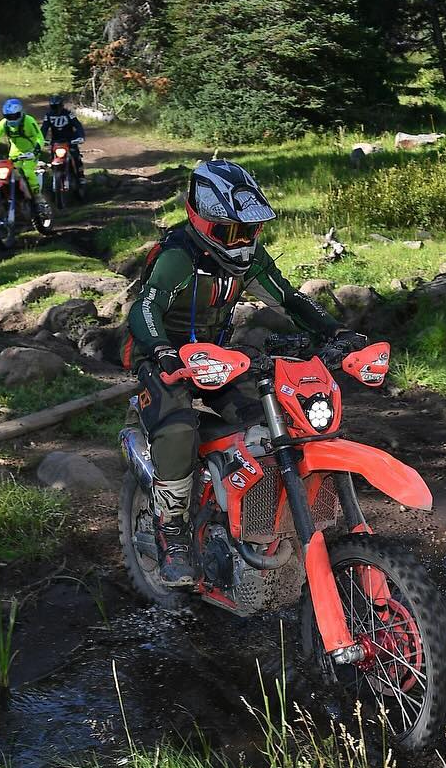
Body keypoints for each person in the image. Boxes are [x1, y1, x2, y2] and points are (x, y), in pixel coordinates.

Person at [124, 159, 368, 587]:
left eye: (249, 231)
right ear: (202, 220)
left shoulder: (249, 260)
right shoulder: (177, 259)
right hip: (162, 357)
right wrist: (163, 351)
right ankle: (173, 534)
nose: (241, 242)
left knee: (268, 416)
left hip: (218, 356)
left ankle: (258, 510)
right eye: (231, 231)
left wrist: (337, 331)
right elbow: (144, 309)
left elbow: (289, 300)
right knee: (179, 429)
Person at [0, 97, 51, 218]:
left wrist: (36, 151)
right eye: (9, 117)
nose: (12, 119)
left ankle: (38, 198)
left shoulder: (29, 121)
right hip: (14, 153)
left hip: (31, 151)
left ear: (20, 113)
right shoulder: (3, 124)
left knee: (27, 172)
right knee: (5, 173)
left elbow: (39, 137)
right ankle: (10, 199)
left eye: (14, 116)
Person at [40, 93, 86, 187]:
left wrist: (80, 136)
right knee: (52, 158)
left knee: (76, 155)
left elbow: (78, 125)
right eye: (53, 107)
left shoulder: (69, 114)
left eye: (57, 106)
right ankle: (55, 175)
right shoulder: (48, 115)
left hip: (70, 140)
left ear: (61, 105)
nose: (56, 109)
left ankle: (80, 176)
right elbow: (44, 128)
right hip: (56, 142)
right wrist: (41, 139)